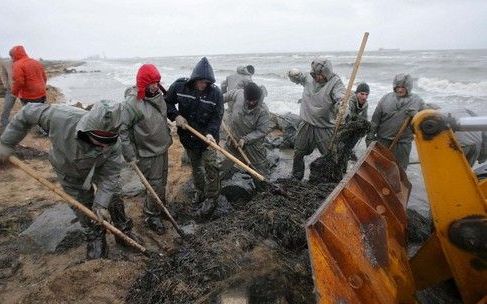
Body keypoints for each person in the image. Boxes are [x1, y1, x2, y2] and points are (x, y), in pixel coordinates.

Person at [0, 100, 139, 260]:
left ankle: (123, 231)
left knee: (112, 194)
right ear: (87, 129)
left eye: (107, 142)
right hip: (67, 168)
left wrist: (101, 205)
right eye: (98, 141)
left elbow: (110, 177)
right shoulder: (59, 117)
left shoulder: (114, 147)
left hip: (99, 166)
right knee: (81, 203)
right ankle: (95, 237)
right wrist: (6, 142)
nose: (102, 146)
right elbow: (27, 112)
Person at [165, 57, 224, 218]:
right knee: (196, 166)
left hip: (207, 139)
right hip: (188, 137)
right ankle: (200, 191)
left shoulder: (215, 94)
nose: (203, 85)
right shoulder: (180, 87)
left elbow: (217, 117)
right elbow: (167, 103)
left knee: (212, 166)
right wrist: (175, 115)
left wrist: (211, 133)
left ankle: (212, 198)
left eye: (206, 82)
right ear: (194, 79)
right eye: (200, 82)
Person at [120, 64, 172, 233]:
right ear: (143, 83)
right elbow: (123, 130)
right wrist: (130, 154)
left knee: (162, 181)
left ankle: (160, 208)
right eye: (152, 83)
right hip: (147, 152)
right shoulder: (132, 104)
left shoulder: (158, 95)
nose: (156, 86)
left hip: (162, 147)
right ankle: (152, 215)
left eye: (157, 82)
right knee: (155, 184)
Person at [287, 57, 346, 180]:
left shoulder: (335, 82)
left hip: (324, 127)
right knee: (298, 152)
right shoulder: (310, 77)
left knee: (330, 156)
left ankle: (334, 179)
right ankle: (296, 176)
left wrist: (342, 106)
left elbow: (341, 97)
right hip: (306, 123)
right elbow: (299, 78)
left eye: (320, 75)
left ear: (327, 73)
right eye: (315, 74)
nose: (317, 78)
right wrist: (293, 74)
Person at [367, 74, 425, 170]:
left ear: (409, 87)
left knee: (399, 171)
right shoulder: (385, 99)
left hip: (403, 144)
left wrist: (416, 115)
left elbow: (426, 119)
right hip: (383, 142)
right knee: (381, 169)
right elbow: (375, 120)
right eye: (398, 87)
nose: (400, 90)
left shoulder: (417, 101)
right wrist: (369, 137)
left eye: (403, 87)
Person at [221, 82, 271, 184]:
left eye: (254, 100)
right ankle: (216, 183)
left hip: (253, 144)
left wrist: (245, 139)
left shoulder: (263, 111)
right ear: (244, 96)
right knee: (225, 162)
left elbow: (262, 131)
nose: (252, 103)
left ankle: (264, 190)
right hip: (234, 137)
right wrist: (215, 103)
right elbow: (223, 97)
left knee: (259, 172)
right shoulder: (239, 94)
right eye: (249, 100)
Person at [346, 82, 370, 161]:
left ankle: (349, 150)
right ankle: (346, 151)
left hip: (354, 126)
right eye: (362, 94)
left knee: (362, 130)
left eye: (366, 95)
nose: (364, 97)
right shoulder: (349, 102)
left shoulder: (365, 104)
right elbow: (348, 117)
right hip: (344, 124)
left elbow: (364, 118)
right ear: (357, 93)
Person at [0, 58, 15, 133]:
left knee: (28, 107)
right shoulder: (6, 63)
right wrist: (7, 86)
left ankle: (30, 123)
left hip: (23, 89)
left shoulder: (23, 62)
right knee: (7, 106)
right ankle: (4, 121)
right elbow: (3, 74)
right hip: (11, 90)